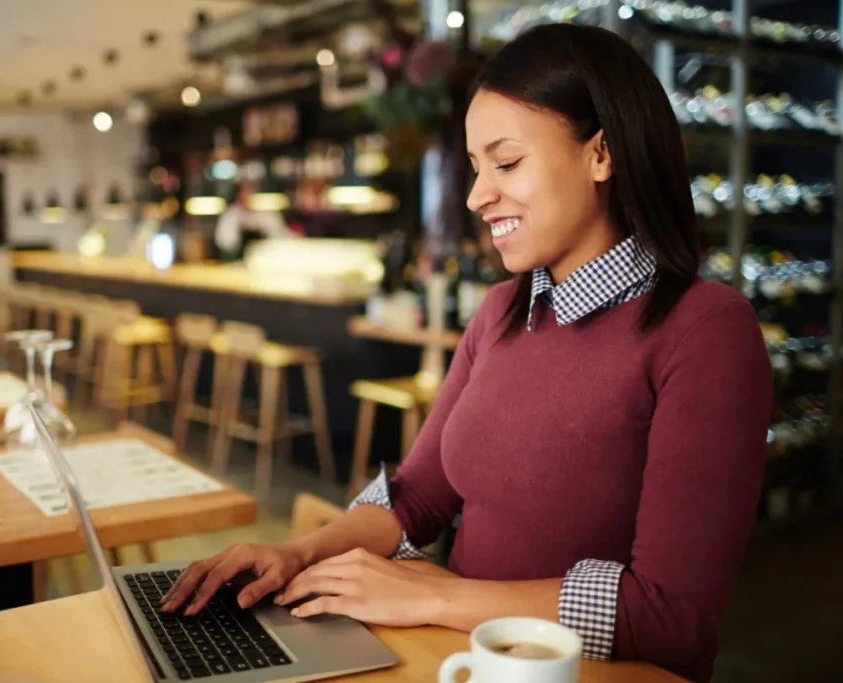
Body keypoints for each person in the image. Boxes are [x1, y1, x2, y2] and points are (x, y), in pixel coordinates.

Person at [161, 24, 771, 683]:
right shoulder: (502, 310)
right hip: (462, 661)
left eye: (506, 162)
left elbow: (672, 614)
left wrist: (433, 593)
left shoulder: (708, 329)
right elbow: (419, 494)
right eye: (477, 168)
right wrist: (298, 552)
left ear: (603, 152)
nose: (478, 195)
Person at [213, 181, 293, 261]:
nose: (249, 195)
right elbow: (225, 242)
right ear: (239, 195)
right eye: (246, 191)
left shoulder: (269, 215)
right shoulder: (231, 215)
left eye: (252, 190)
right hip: (236, 262)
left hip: (266, 261)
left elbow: (283, 238)